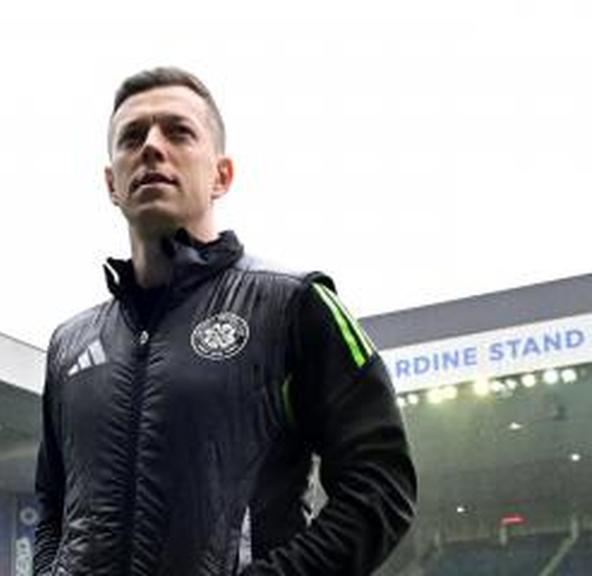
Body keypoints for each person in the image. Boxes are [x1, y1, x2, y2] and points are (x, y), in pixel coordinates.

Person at [33, 66, 417, 575]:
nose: (151, 147)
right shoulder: (69, 345)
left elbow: (382, 485)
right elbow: (51, 507)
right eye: (132, 137)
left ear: (222, 175)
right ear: (111, 183)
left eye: (178, 132)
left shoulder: (295, 304)